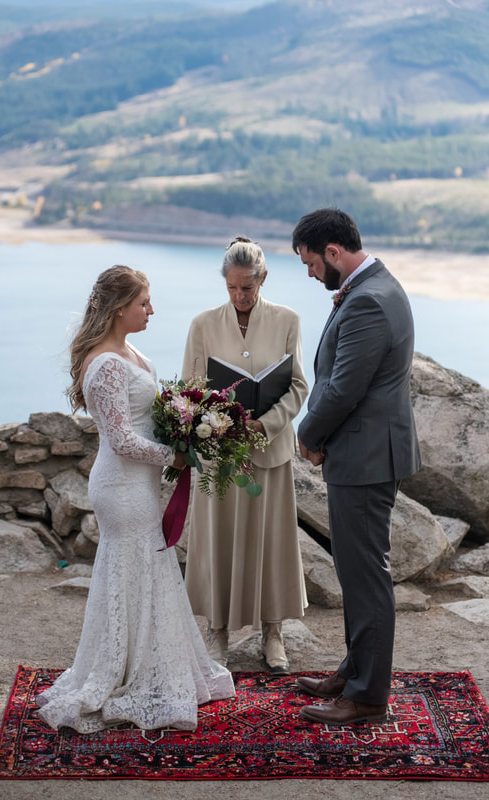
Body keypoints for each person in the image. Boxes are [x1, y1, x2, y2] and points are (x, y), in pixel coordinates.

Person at [36, 265, 234, 733]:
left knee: (149, 569)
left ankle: (145, 666)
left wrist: (188, 427)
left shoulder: (128, 351)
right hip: (121, 487)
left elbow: (147, 417)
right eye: (144, 302)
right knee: (134, 569)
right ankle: (125, 674)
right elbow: (122, 439)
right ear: (120, 307)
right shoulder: (105, 364)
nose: (151, 310)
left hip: (139, 483)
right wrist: (175, 454)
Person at [292, 209, 421, 725]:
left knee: (366, 576)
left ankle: (366, 697)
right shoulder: (371, 286)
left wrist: (308, 433)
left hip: (365, 459)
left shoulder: (368, 299)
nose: (309, 274)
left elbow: (345, 386)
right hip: (363, 454)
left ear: (333, 252)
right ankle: (353, 670)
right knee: (356, 570)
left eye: (309, 262)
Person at [181, 237, 309, 675]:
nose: (240, 296)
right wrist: (216, 423)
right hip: (220, 454)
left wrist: (265, 424)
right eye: (233, 288)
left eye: (247, 288)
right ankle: (217, 632)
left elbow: (297, 386)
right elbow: (189, 390)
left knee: (272, 543)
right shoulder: (202, 324)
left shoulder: (287, 320)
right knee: (217, 540)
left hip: (270, 451)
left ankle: (273, 632)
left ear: (263, 280)